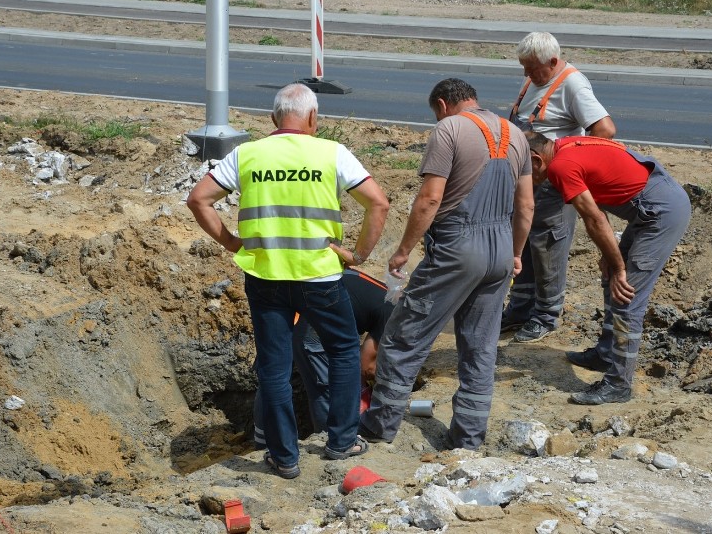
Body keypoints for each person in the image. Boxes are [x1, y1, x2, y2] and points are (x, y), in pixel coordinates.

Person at [186, 83, 389, 478]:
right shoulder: (331, 153)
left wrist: (230, 242)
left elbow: (199, 199)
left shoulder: (248, 154)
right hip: (320, 276)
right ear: (313, 118)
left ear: (273, 119)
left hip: (266, 275)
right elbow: (378, 202)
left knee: (275, 369)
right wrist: (358, 255)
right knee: (345, 352)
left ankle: (283, 457)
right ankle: (342, 440)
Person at [359, 78, 534, 449]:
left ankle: (379, 425)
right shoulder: (515, 133)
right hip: (500, 248)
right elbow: (526, 205)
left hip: (458, 247)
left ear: (442, 104)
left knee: (406, 335)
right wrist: (516, 252)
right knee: (480, 347)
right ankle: (468, 437)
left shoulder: (449, 129)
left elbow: (429, 199)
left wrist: (404, 249)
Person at [526, 133, 690, 404]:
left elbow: (595, 219)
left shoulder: (560, 167)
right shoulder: (564, 145)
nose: (524, 179)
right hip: (650, 206)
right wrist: (611, 259)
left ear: (535, 159)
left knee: (627, 296)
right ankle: (605, 354)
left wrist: (619, 265)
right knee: (610, 278)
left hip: (660, 213)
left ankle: (618, 385)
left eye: (523, 170)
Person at [502, 31, 617, 344]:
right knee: (525, 242)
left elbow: (604, 130)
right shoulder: (535, 78)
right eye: (523, 66)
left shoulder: (573, 84)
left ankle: (546, 315)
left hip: (552, 182)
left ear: (552, 62)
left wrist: (571, 164)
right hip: (528, 177)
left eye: (531, 67)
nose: (526, 73)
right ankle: (521, 308)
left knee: (547, 246)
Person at [253, 268, 395, 447]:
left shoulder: (388, 295)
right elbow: (366, 364)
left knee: (273, 373)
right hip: (314, 322)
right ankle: (328, 440)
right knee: (326, 388)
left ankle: (264, 442)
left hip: (289, 304)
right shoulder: (398, 317)